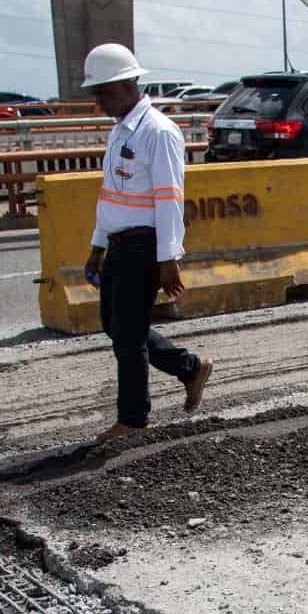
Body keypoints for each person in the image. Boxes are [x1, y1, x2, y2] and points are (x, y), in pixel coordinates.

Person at [80, 42, 211, 442]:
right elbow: (110, 196)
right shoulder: (119, 133)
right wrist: (97, 247)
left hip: (146, 246)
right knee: (115, 326)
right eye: (96, 94)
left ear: (127, 84)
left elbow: (170, 198)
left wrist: (169, 258)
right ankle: (189, 367)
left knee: (128, 337)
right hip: (120, 244)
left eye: (103, 92)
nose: (99, 102)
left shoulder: (159, 132)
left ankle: (133, 420)